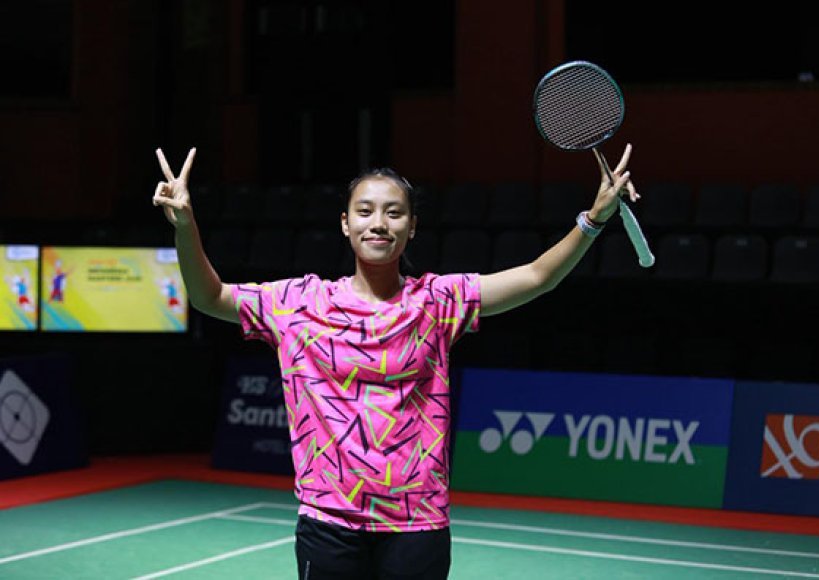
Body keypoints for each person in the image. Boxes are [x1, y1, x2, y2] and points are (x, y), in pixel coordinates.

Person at [152, 145, 639, 580]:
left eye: (394, 212)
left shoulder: (439, 300)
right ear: (345, 223)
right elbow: (209, 297)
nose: (379, 223)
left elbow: (536, 277)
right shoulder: (298, 303)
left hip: (417, 525)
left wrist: (593, 220)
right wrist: (185, 226)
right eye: (364, 211)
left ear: (412, 227)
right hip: (329, 521)